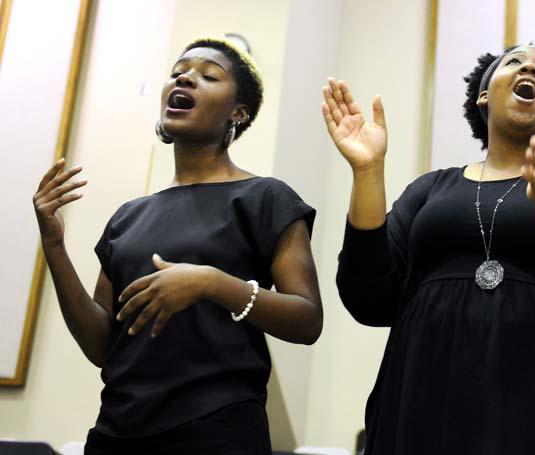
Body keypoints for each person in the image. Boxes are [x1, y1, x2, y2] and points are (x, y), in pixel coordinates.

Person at [322, 44, 535, 454]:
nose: (529, 65)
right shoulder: (431, 188)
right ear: (484, 95)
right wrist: (368, 173)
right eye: (513, 62)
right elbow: (368, 300)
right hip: (423, 386)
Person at [33, 37, 322, 455]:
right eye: (178, 72)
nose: (185, 77)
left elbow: (307, 319)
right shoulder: (128, 216)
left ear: (238, 113)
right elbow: (101, 347)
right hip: (118, 431)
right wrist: (54, 246)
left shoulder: (266, 198)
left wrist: (211, 283)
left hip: (217, 430)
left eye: (209, 76)